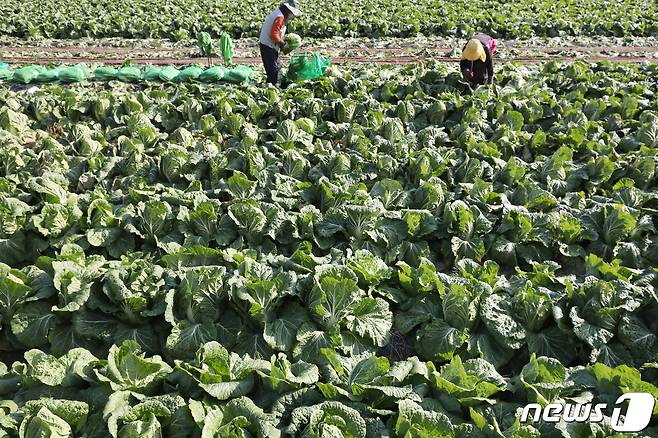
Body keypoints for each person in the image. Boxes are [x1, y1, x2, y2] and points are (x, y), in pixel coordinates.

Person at [259, 0, 302, 86]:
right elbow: (274, 34)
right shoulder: (279, 17)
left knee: (274, 67)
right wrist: (283, 44)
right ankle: (274, 85)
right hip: (268, 45)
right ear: (287, 10)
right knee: (274, 68)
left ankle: (271, 83)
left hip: (268, 44)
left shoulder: (279, 14)